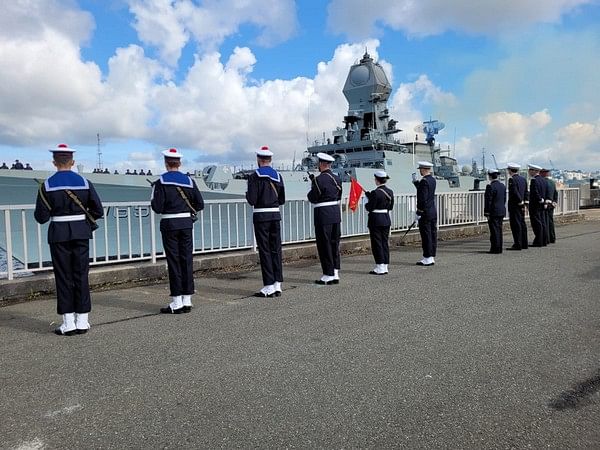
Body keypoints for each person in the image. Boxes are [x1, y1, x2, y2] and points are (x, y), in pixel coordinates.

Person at [33, 144, 104, 336]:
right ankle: (83, 321)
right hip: (81, 232)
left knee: (63, 276)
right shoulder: (85, 182)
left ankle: (68, 322)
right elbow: (98, 210)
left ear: (54, 162)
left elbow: (41, 217)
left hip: (59, 234)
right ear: (72, 162)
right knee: (81, 274)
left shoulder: (46, 185)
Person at [151, 148, 204, 313]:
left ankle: (176, 301)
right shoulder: (189, 181)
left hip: (169, 225)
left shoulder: (161, 182)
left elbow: (157, 208)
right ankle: (187, 299)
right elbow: (200, 204)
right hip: (186, 224)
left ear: (166, 163)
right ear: (179, 163)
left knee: (173, 262)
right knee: (186, 260)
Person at [246, 146, 286, 297]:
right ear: (270, 160)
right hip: (275, 216)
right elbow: (282, 199)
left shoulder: (254, 176)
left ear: (259, 159)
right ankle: (277, 284)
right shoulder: (278, 176)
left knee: (265, 251)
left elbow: (252, 200)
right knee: (276, 249)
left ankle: (268, 285)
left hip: (261, 216)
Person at [307, 152, 342, 285]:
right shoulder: (337, 179)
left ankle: (328, 274)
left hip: (323, 214)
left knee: (324, 244)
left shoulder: (318, 180)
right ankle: (335, 272)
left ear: (321, 164)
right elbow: (339, 195)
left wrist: (310, 190)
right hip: (335, 213)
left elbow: (313, 198)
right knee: (334, 243)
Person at [365, 170, 394, 275]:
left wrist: (368, 200)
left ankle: (379, 266)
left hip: (376, 220)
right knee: (384, 242)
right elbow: (390, 207)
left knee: (377, 243)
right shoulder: (390, 192)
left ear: (377, 180)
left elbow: (369, 207)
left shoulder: (375, 193)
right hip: (386, 218)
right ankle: (385, 265)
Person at [413, 161, 437, 266]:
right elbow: (426, 192)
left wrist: (419, 212)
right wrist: (416, 183)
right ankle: (431, 256)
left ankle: (427, 257)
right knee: (432, 234)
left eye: (420, 170)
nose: (420, 172)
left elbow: (422, 198)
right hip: (432, 211)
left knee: (426, 235)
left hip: (425, 213)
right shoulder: (432, 180)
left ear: (423, 169)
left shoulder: (424, 181)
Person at [506, 163, 528, 250]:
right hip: (522, 205)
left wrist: (520, 201)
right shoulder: (523, 179)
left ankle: (517, 244)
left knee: (516, 225)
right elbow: (526, 192)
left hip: (515, 205)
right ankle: (524, 243)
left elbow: (514, 192)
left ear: (510, 170)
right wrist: (525, 203)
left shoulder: (512, 180)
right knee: (522, 223)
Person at [484, 169, 506, 254]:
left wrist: (487, 212)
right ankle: (499, 247)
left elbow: (488, 201)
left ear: (490, 176)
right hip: (501, 210)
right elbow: (504, 199)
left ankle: (495, 248)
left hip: (493, 211)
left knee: (494, 231)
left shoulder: (490, 186)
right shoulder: (502, 186)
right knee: (499, 230)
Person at [527, 164, 547, 247]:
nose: (529, 172)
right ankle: (544, 240)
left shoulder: (534, 180)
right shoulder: (543, 180)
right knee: (542, 222)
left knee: (536, 223)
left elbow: (535, 192)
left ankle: (538, 241)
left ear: (534, 171)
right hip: (541, 204)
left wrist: (539, 199)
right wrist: (543, 200)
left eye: (530, 170)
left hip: (535, 205)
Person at [541, 168, 558, 244]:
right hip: (551, 204)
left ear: (543, 173)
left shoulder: (543, 182)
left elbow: (544, 193)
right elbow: (555, 193)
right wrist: (554, 201)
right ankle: (552, 237)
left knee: (545, 222)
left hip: (545, 204)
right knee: (550, 221)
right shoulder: (552, 182)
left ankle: (547, 238)